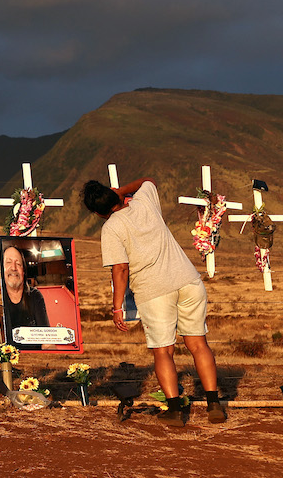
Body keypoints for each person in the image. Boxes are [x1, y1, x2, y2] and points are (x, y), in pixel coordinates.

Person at [83, 176, 226, 423]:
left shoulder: (112, 228)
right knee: (199, 344)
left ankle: (174, 410)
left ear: (97, 212)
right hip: (188, 280)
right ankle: (214, 404)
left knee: (163, 351)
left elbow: (120, 269)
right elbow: (147, 180)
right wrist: (122, 190)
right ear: (113, 196)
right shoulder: (145, 202)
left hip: (155, 290)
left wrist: (117, 307)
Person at [0, 244, 50, 348]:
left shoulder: (35, 296)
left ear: (23, 271)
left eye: (18, 264)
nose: (14, 268)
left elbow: (47, 341)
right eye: (8, 262)